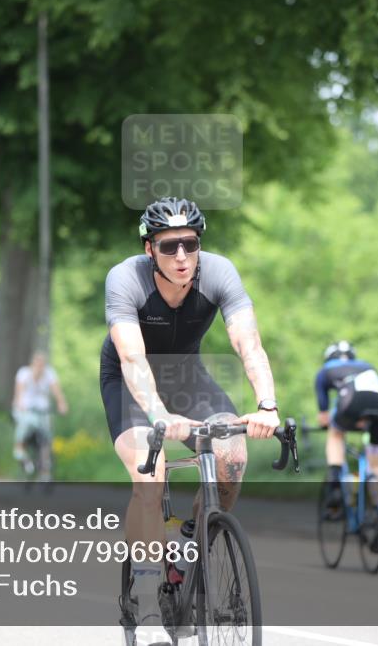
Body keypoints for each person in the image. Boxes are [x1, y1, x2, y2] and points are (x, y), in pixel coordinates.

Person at [100, 197, 279, 627]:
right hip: (131, 382)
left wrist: (267, 405)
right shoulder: (125, 279)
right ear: (149, 249)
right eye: (168, 246)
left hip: (188, 379)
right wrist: (158, 412)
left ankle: (188, 539)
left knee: (232, 457)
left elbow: (248, 343)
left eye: (190, 243)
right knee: (150, 474)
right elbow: (132, 357)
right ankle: (145, 597)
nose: (181, 256)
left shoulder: (218, 272)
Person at [315, 340, 378, 550]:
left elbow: (323, 418)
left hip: (352, 400)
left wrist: (328, 418)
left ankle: (335, 481)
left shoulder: (324, 372)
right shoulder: (367, 366)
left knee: (335, 434)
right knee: (375, 466)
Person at [12, 351, 68, 477]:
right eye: (38, 363)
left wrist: (61, 404)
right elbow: (19, 392)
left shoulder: (49, 374)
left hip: (42, 410)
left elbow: (56, 391)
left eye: (42, 364)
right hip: (26, 409)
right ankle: (20, 450)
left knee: (47, 438)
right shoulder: (24, 373)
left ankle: (45, 470)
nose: (40, 367)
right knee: (24, 426)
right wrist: (20, 403)